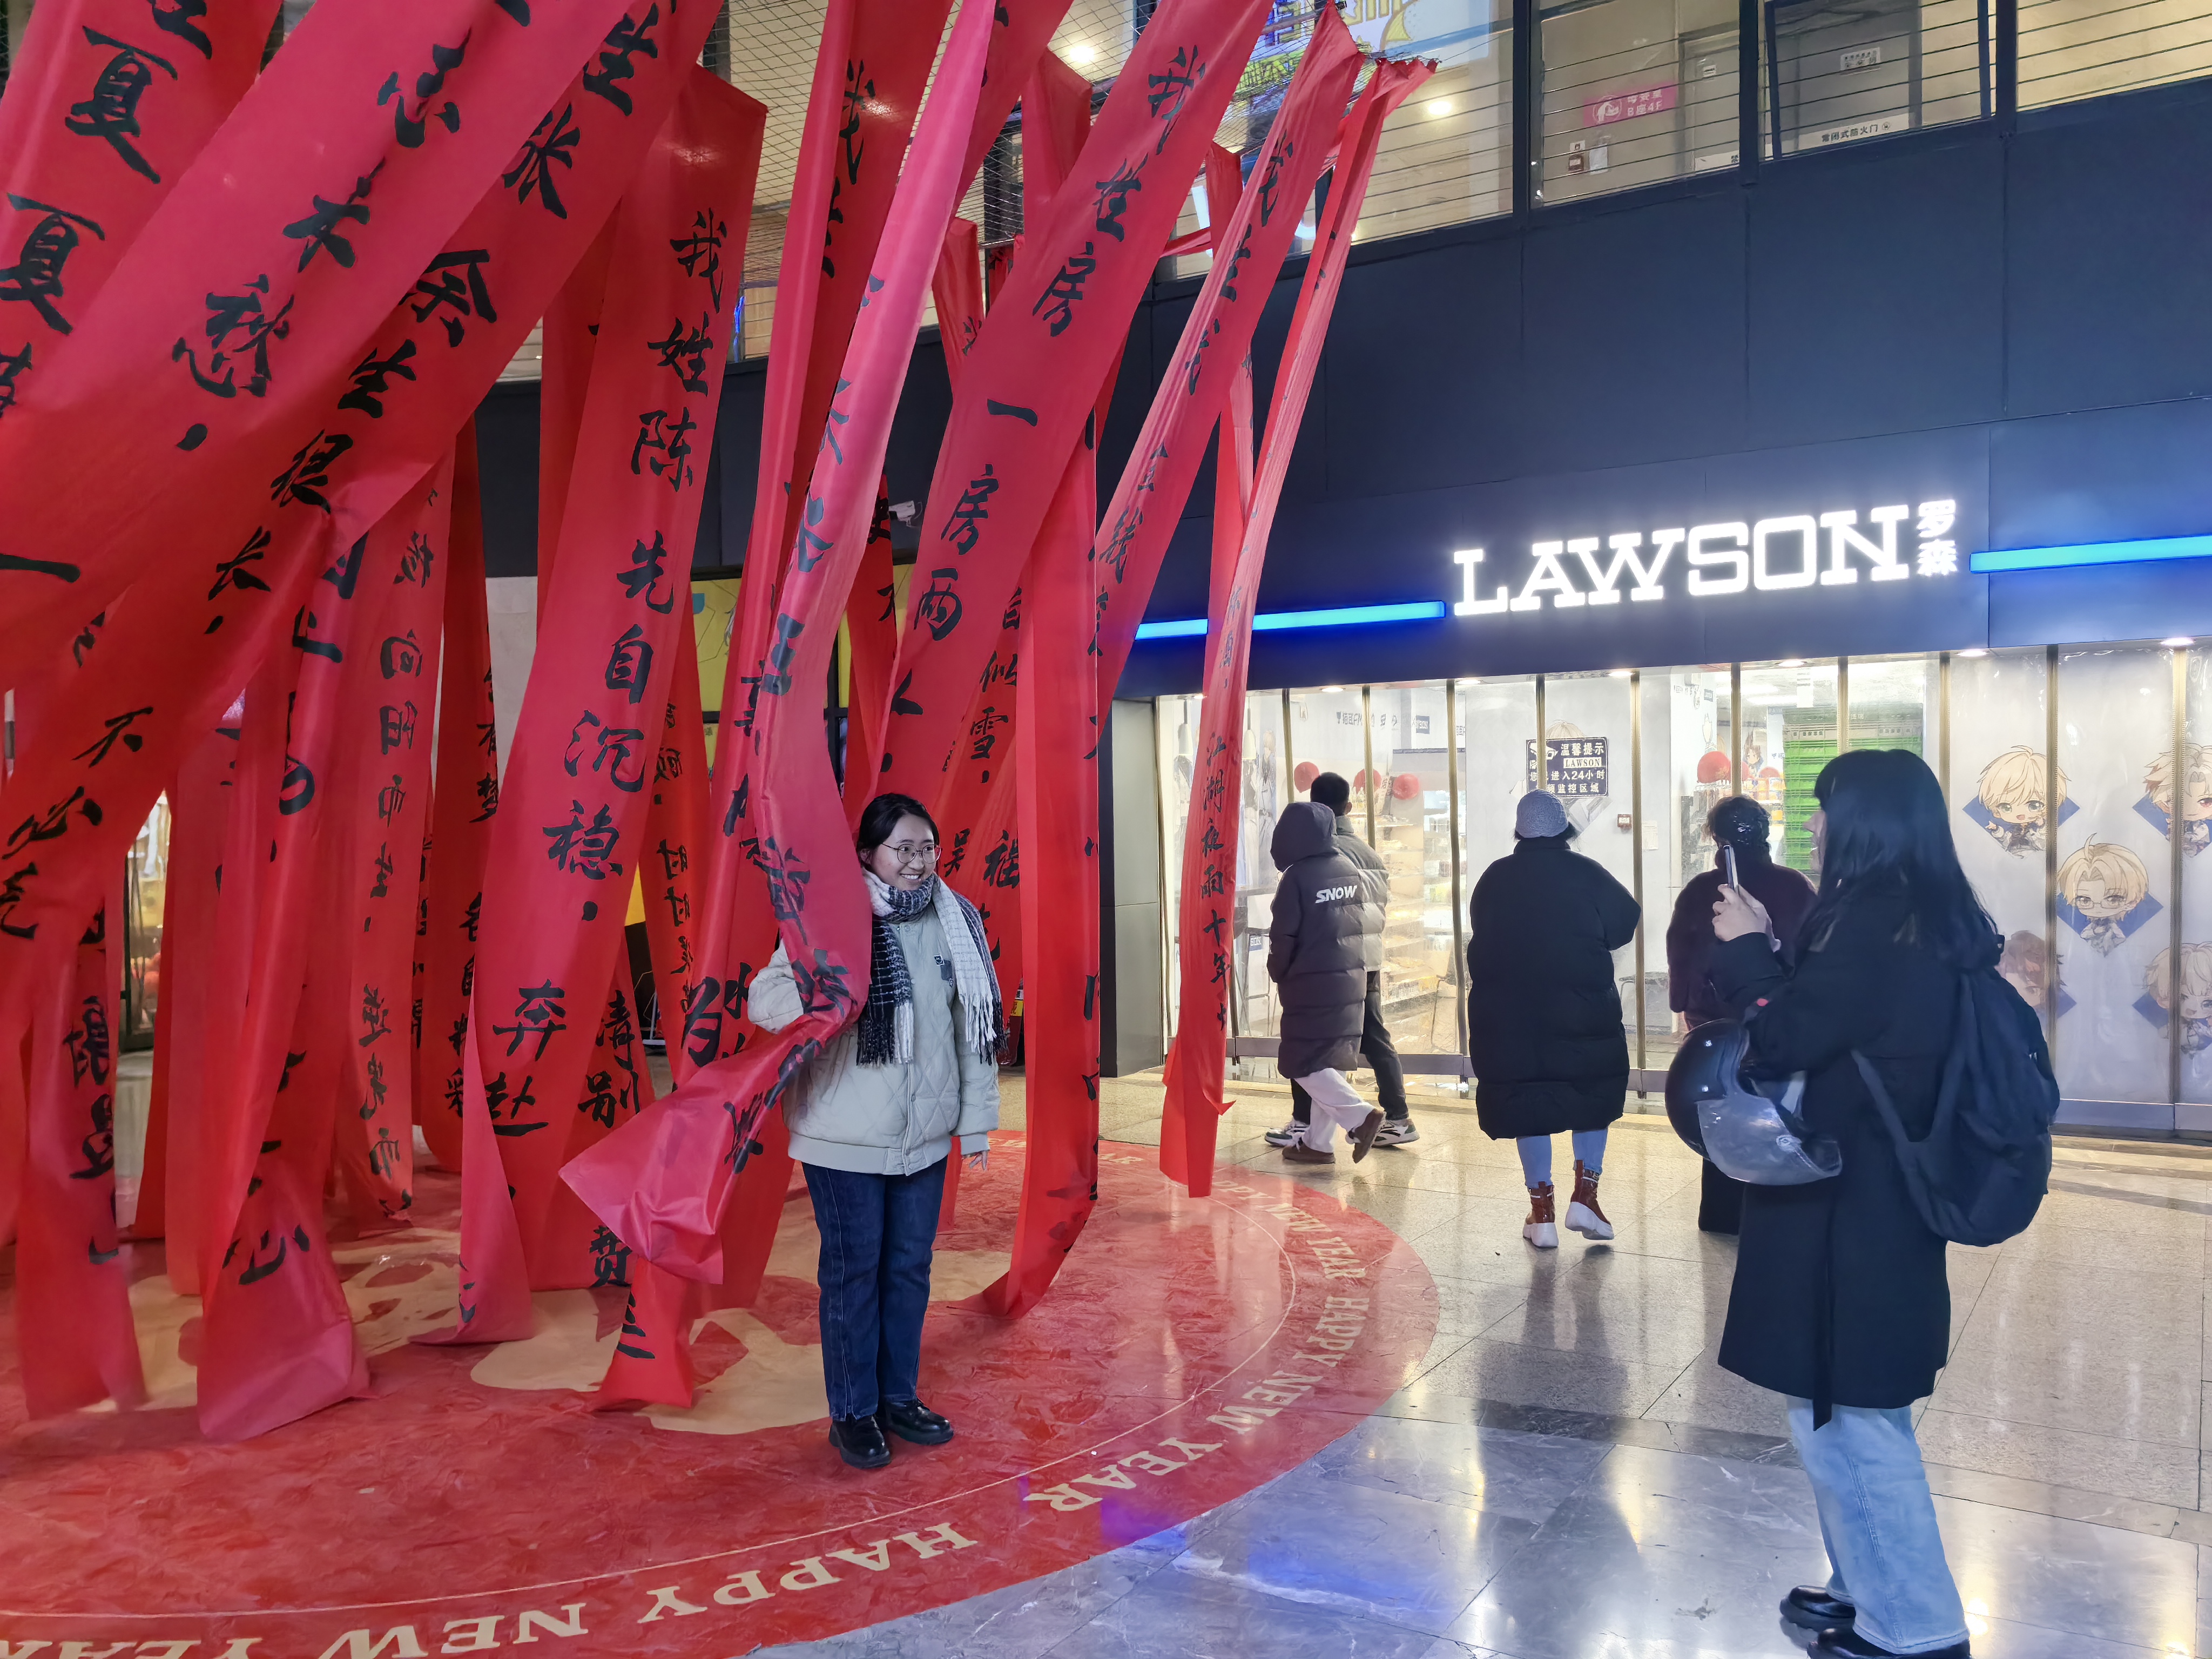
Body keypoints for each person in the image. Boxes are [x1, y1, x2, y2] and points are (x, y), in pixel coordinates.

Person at [1708, 748, 1979, 1659]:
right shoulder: (1919, 910)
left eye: (1825, 808)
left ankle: (1916, 1626)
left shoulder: (1875, 920)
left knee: (1850, 1416)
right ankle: (1863, 1586)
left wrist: (1748, 950)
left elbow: (1786, 1036)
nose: (1814, 825)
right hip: (1869, 1198)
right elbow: (1839, 1024)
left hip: (1850, 1205)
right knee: (1844, 1406)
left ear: (1863, 820)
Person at [746, 792, 1001, 1472]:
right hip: (842, 1136)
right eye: (902, 849)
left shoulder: (956, 921)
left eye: (927, 848)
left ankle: (898, 1398)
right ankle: (853, 1413)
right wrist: (830, 989)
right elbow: (763, 999)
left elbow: (972, 1032)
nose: (918, 862)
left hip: (925, 1135)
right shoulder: (830, 918)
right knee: (853, 1273)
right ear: (868, 854)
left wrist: (975, 1120)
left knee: (909, 1270)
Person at [1466, 788, 1640, 1247]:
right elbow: (1625, 921)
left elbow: (1483, 931)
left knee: (1528, 1103)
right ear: (1564, 829)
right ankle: (1586, 1198)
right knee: (1591, 1093)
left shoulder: (1494, 878)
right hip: (1581, 1011)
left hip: (1511, 1019)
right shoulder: (1587, 873)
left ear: (1519, 832)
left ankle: (1541, 1215)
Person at [1663, 794, 1816, 1235]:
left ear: (1716, 837)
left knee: (1720, 1110)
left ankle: (1721, 1213)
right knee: (1778, 1107)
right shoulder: (1795, 886)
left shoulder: (1700, 890)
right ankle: (1773, 1207)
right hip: (1777, 1013)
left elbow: (1681, 952)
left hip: (1714, 1020)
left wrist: (1685, 1003)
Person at [1265, 771, 1417, 1150]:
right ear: (1348, 806)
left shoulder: (1315, 859)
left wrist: (1282, 969)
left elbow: (1295, 930)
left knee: (1309, 1049)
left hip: (1322, 966)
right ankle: (1391, 1117)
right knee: (1371, 1039)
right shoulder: (1367, 854)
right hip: (1364, 961)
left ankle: (1314, 1124)